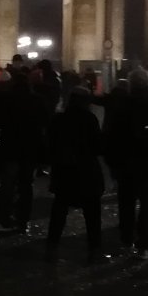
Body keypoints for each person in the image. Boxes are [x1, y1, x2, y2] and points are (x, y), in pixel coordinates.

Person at [104, 68, 148, 253]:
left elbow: (110, 137)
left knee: (125, 202)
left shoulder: (121, 106)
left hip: (126, 162)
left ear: (130, 84)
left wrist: (112, 163)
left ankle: (126, 237)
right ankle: (144, 242)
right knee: (147, 205)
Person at [44, 88, 105, 261]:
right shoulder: (89, 119)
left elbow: (50, 145)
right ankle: (94, 249)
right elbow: (98, 146)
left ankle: (52, 246)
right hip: (86, 171)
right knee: (92, 214)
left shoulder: (58, 120)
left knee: (59, 212)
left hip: (64, 171)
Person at [0, 61, 48, 230]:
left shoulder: (5, 99)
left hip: (10, 147)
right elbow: (46, 123)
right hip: (30, 149)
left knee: (7, 184)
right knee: (26, 185)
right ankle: (24, 220)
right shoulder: (38, 100)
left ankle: (4, 218)